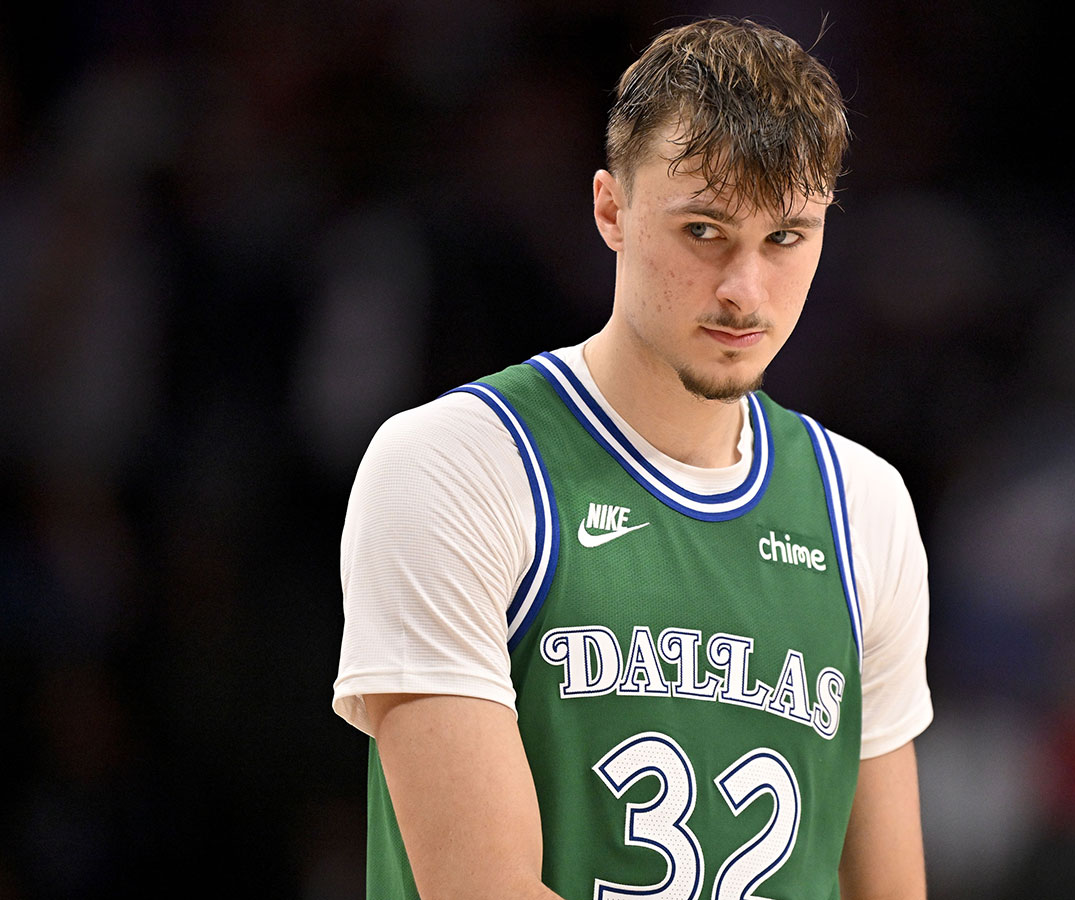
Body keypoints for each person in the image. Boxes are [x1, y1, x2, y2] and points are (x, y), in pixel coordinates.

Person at [332, 16, 933, 900]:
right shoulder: (455, 464)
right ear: (611, 209)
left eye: (785, 238)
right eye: (705, 231)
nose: (745, 291)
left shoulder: (864, 507)